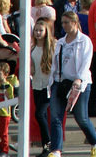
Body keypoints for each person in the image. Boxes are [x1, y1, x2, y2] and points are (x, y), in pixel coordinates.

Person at [47, 11, 96, 157]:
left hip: (79, 83)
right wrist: (52, 80)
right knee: (56, 116)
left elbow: (85, 62)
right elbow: (56, 63)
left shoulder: (84, 41)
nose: (63, 25)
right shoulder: (61, 42)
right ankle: (56, 150)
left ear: (75, 23)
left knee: (81, 118)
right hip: (60, 82)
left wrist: (79, 79)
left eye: (66, 22)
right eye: (62, 22)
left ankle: (95, 141)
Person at [30, 18, 55, 157]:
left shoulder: (51, 47)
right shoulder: (32, 47)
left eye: (41, 30)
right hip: (37, 84)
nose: (38, 33)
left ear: (46, 32)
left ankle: (49, 144)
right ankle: (47, 146)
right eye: (36, 30)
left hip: (48, 85)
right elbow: (32, 67)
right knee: (41, 115)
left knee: (39, 114)